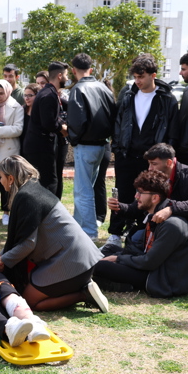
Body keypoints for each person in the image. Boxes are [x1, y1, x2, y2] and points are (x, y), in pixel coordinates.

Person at [0, 155, 109, 313]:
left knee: (30, 301)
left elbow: (27, 244)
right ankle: (79, 287)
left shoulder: (27, 197)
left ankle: (83, 294)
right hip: (79, 261)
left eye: (1, 177)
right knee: (26, 284)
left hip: (74, 263)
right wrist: (2, 256)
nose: (0, 181)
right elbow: (21, 237)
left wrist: (2, 260)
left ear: (10, 178)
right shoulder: (32, 190)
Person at [109, 143, 188, 294]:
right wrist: (120, 207)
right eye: (149, 164)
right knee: (138, 235)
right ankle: (147, 269)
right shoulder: (157, 177)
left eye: (154, 164)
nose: (150, 168)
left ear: (169, 162)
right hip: (173, 229)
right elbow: (140, 207)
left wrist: (170, 209)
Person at [105, 53, 179, 254]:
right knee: (122, 192)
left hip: (153, 159)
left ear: (153, 75)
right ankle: (114, 234)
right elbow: (119, 122)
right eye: (135, 77)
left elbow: (172, 129)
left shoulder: (167, 99)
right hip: (126, 154)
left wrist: (165, 156)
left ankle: (140, 234)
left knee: (148, 196)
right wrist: (118, 147)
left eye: (141, 77)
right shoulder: (128, 96)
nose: (137, 81)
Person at [94, 170, 188, 297]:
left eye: (140, 193)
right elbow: (143, 252)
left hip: (159, 277)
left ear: (155, 198)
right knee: (108, 249)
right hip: (149, 266)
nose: (136, 196)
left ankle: (114, 282)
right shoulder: (153, 214)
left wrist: (118, 259)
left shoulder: (171, 225)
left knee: (100, 266)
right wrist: (118, 256)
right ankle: (115, 282)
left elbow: (149, 262)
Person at [67, 53, 117, 239]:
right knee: (85, 188)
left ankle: (89, 232)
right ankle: (79, 226)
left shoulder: (78, 89)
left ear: (73, 70)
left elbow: (77, 121)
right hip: (102, 145)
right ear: (91, 68)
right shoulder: (104, 88)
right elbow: (114, 115)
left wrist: (73, 139)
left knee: (83, 191)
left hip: (86, 145)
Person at [24, 61, 68, 195]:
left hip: (39, 146)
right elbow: (48, 122)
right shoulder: (49, 95)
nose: (67, 78)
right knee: (49, 183)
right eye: (66, 75)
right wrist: (62, 128)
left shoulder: (48, 92)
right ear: (59, 76)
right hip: (41, 148)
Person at [0, 79, 23, 225]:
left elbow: (18, 129)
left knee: (7, 183)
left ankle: (7, 211)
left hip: (8, 149)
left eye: (1, 93)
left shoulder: (16, 107)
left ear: (8, 92)